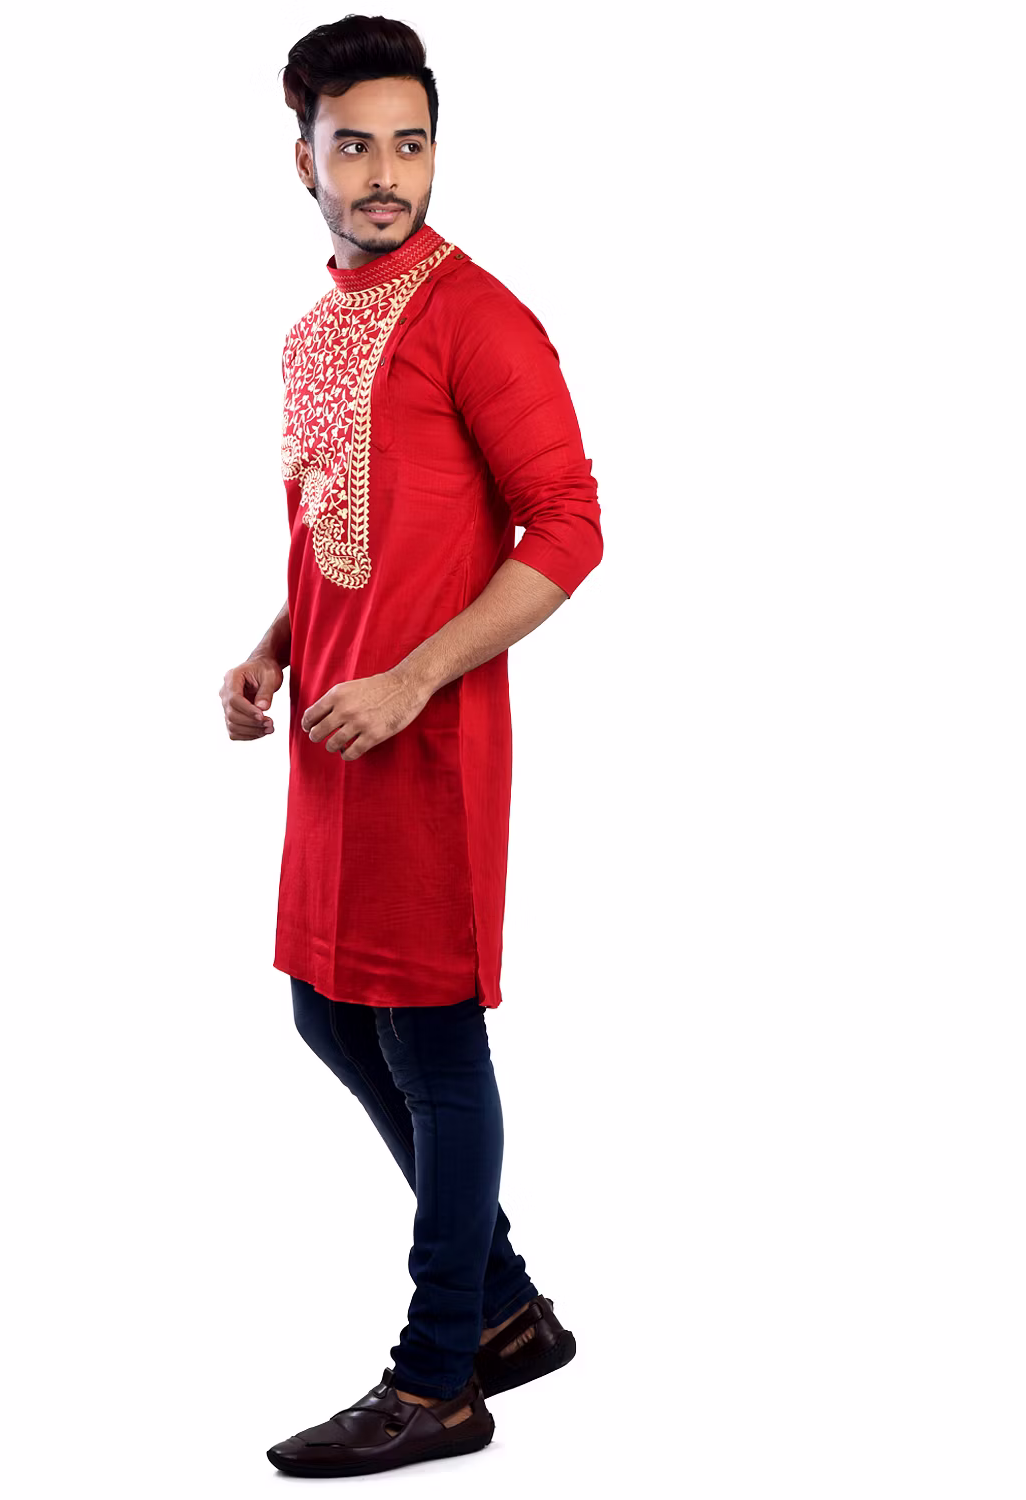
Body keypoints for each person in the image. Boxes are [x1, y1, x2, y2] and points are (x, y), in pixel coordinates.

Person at [217, 15, 604, 1477]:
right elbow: (333, 521)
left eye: (410, 143)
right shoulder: (314, 330)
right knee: (327, 1014)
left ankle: (440, 1375)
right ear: (303, 160)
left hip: (426, 736)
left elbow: (569, 528)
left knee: (434, 1042)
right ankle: (504, 1307)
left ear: (437, 152)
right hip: (334, 735)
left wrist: (412, 680)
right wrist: (276, 643)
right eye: (355, 145)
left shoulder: (479, 318)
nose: (386, 173)